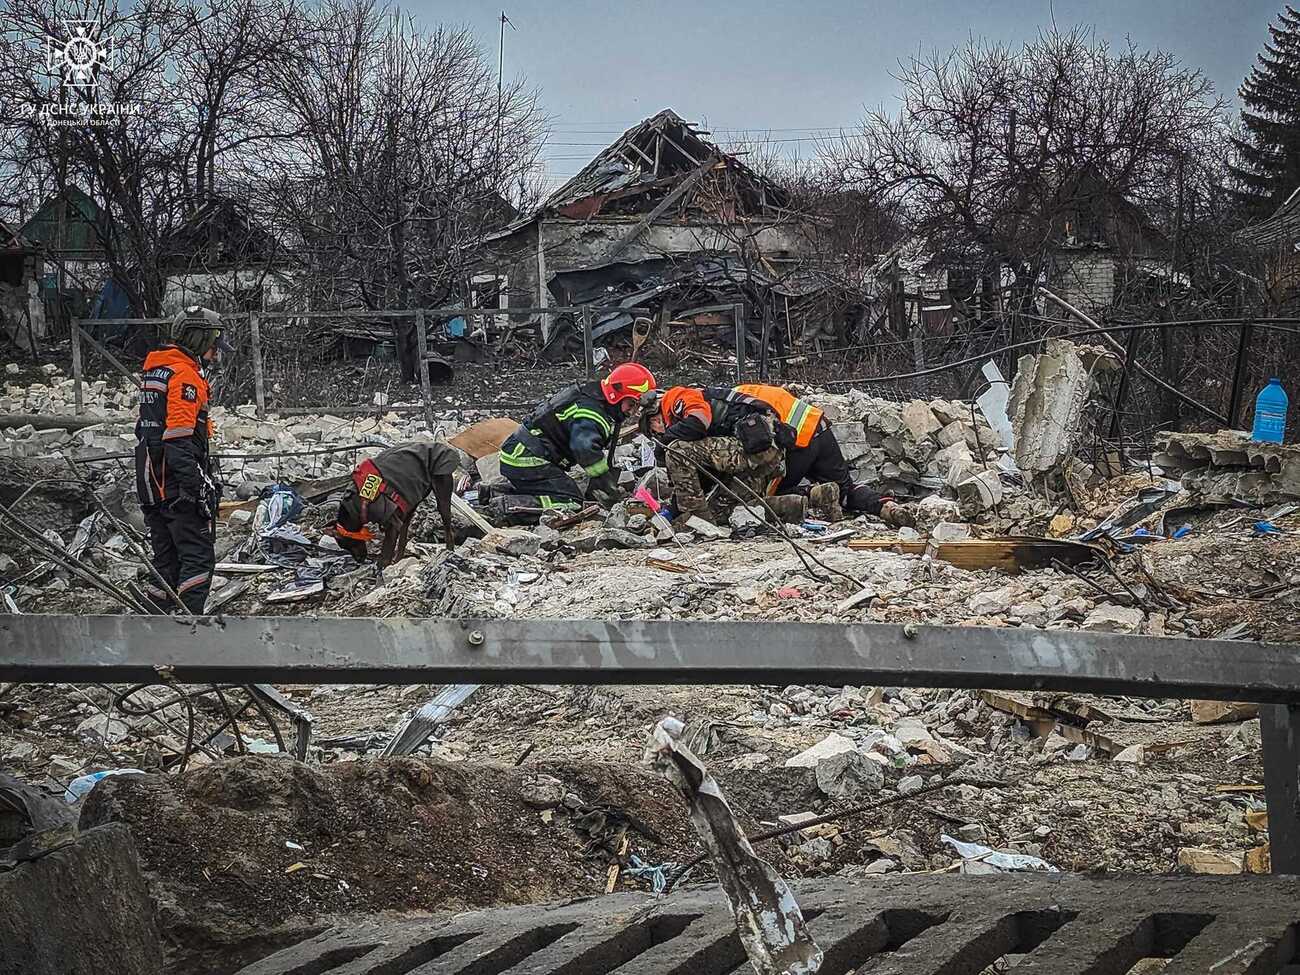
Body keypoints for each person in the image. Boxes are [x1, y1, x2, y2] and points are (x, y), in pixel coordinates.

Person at [134, 307, 227, 614]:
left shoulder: (156, 370)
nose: (214, 355)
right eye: (213, 345)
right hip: (175, 483)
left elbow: (150, 430)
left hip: (150, 478)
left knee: (166, 559)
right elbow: (178, 439)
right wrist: (198, 487)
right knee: (198, 558)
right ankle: (190, 633)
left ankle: (150, 626)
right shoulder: (185, 376)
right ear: (198, 339)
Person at [734, 383, 914, 527]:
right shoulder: (742, 391)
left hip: (794, 444)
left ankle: (813, 494)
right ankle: (886, 507)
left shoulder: (725, 405)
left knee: (765, 496)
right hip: (817, 425)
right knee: (846, 489)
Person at [497, 363, 655, 510]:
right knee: (570, 502)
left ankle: (493, 492)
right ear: (616, 396)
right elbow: (585, 449)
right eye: (631, 404)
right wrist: (606, 483)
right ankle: (507, 506)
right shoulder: (591, 414)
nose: (632, 412)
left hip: (521, 452)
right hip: (526, 459)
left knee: (549, 488)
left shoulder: (591, 395)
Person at [640, 385, 790, 524]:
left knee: (676, 450)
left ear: (655, 417)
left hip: (755, 441)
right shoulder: (697, 437)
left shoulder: (675, 398)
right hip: (764, 454)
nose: (660, 431)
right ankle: (796, 503)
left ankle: (696, 520)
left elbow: (699, 421)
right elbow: (700, 476)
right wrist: (673, 510)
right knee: (721, 511)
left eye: (655, 427)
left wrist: (664, 444)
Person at [332, 441, 459, 565]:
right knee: (402, 515)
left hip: (433, 460)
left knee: (443, 512)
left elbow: (393, 528)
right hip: (405, 466)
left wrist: (383, 562)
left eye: (354, 549)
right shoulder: (355, 499)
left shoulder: (367, 504)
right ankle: (399, 556)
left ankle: (449, 544)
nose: (357, 552)